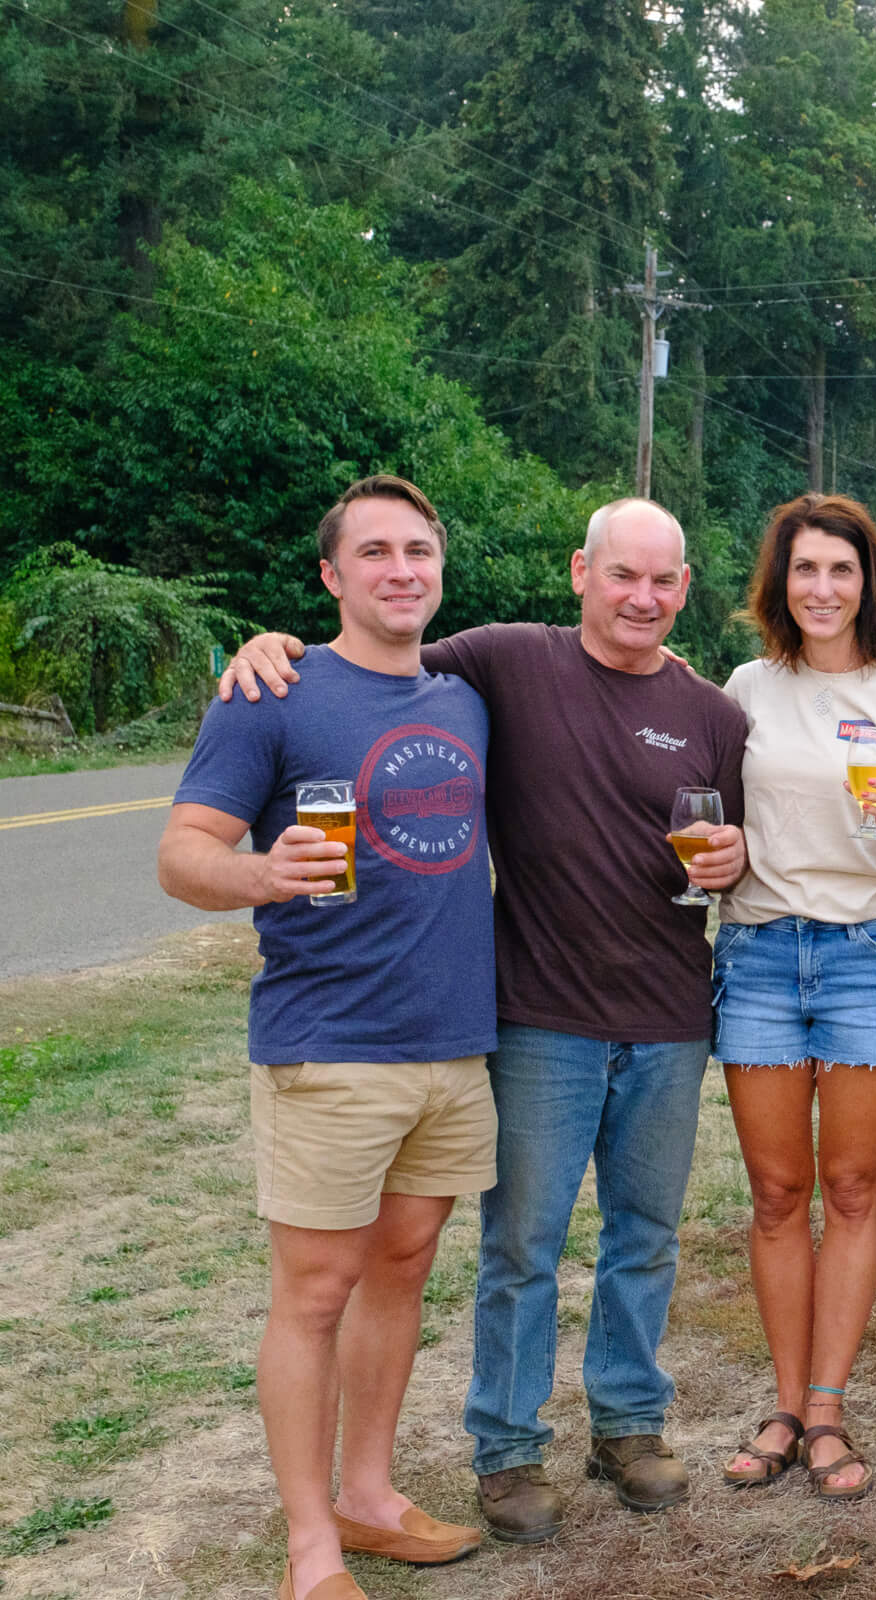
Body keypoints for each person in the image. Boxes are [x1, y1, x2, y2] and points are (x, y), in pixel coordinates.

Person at [219, 498, 750, 1543]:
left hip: (671, 1016)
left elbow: (738, 845)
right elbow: (376, 647)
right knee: (523, 1245)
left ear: (684, 589)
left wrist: (737, 863)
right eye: (620, 575)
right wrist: (270, 644)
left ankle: (630, 1426)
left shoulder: (716, 716)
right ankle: (507, 1452)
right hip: (540, 1014)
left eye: (662, 579)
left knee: (645, 1238)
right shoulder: (505, 662)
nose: (641, 596)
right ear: (579, 572)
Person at [161, 476, 495, 1600]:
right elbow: (182, 854)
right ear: (331, 576)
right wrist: (260, 871)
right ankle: (312, 1549)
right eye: (377, 552)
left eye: (420, 550)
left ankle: (368, 1493)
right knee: (312, 1291)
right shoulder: (274, 692)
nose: (402, 569)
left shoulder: (462, 697)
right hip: (328, 1041)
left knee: (401, 1271)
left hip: (452, 1048)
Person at [712, 494, 876, 1497]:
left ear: (870, 583)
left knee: (855, 1189)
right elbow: (711, 822)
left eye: (841, 570)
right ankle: (781, 1406)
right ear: (782, 583)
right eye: (805, 569)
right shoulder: (743, 689)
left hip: (867, 954)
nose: (822, 588)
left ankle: (827, 1410)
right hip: (761, 952)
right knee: (779, 1194)